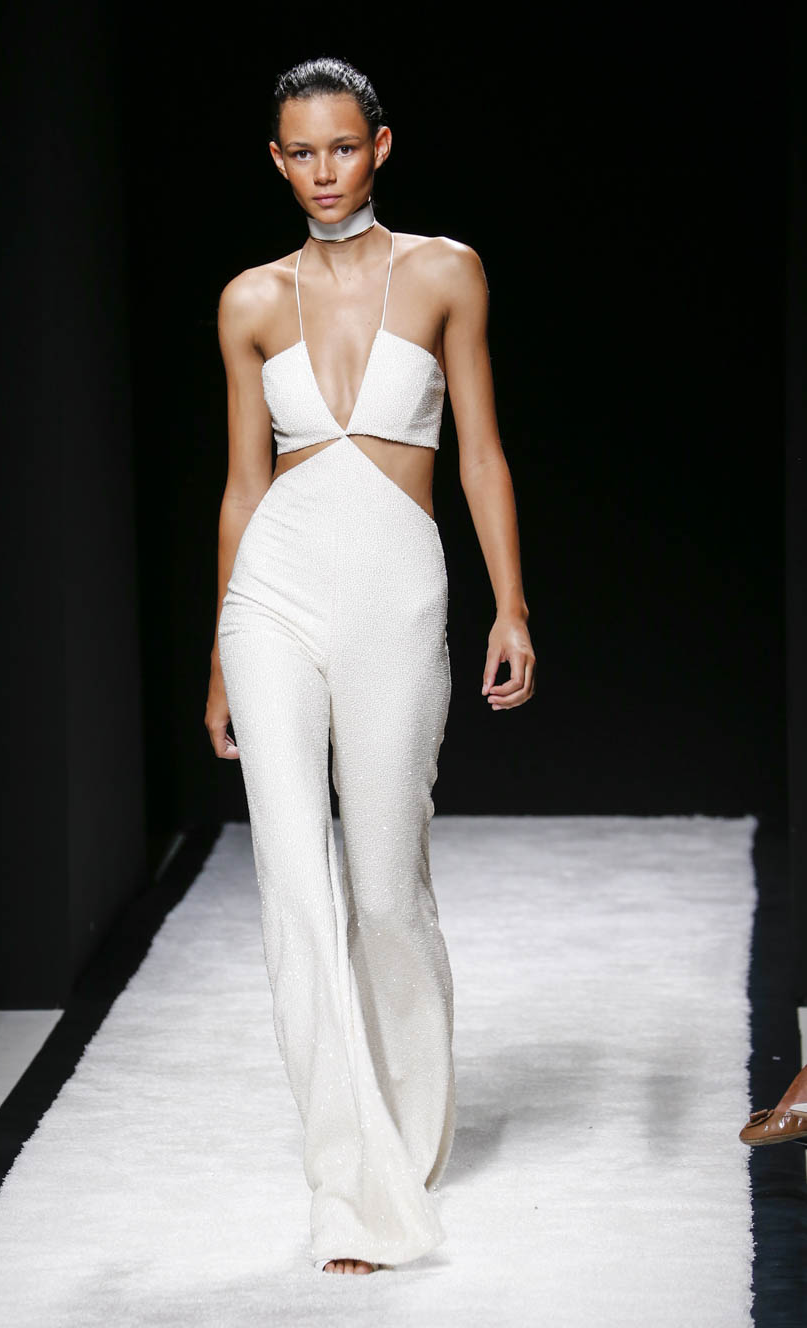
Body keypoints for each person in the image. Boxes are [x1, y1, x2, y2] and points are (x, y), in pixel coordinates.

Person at [205, 55, 535, 1276]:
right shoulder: (250, 300)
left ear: (380, 146)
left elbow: (481, 452)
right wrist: (219, 655)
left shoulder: (447, 271)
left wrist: (511, 603)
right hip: (274, 596)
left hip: (397, 585)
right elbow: (242, 487)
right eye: (301, 152)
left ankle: (412, 1121)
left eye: (342, 147)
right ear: (277, 159)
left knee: (387, 888)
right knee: (295, 882)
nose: (324, 172)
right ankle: (350, 1184)